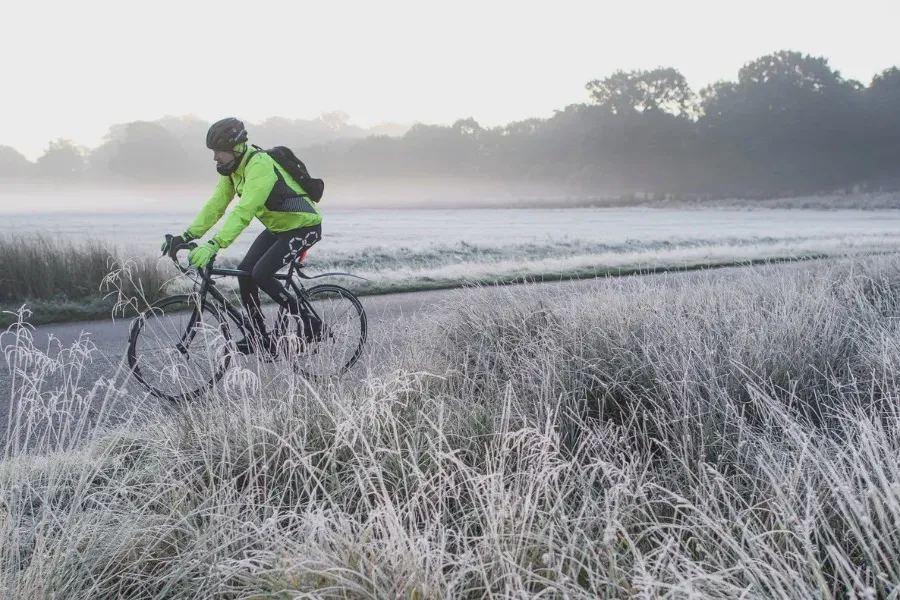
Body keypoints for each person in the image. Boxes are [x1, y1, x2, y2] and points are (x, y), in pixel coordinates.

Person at [161, 117, 323, 355]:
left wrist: (214, 244)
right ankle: (260, 338)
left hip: (304, 227)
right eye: (214, 151)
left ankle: (312, 324)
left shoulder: (260, 166)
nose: (215, 157)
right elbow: (216, 205)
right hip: (279, 228)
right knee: (245, 274)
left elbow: (244, 211)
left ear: (236, 148)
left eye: (219, 151)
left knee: (261, 274)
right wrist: (186, 236)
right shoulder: (232, 171)